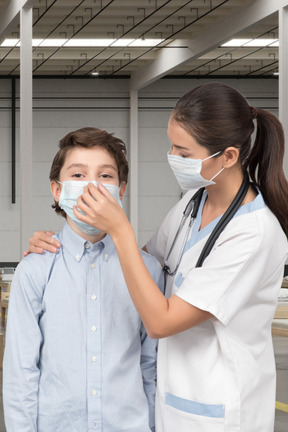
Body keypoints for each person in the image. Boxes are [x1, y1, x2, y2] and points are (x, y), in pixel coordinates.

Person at [26, 82, 288, 432]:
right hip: (170, 402)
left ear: (227, 156)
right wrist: (64, 241)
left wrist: (120, 229)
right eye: (171, 146)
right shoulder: (193, 203)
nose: (172, 158)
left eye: (183, 152)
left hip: (220, 410)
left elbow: (160, 322)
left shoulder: (254, 234)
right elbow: (141, 264)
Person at [3, 127, 164, 432]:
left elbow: (151, 367)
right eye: (78, 175)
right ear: (56, 190)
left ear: (122, 189)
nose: (92, 185)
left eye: (105, 176)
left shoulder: (148, 270)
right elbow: (21, 374)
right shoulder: (35, 270)